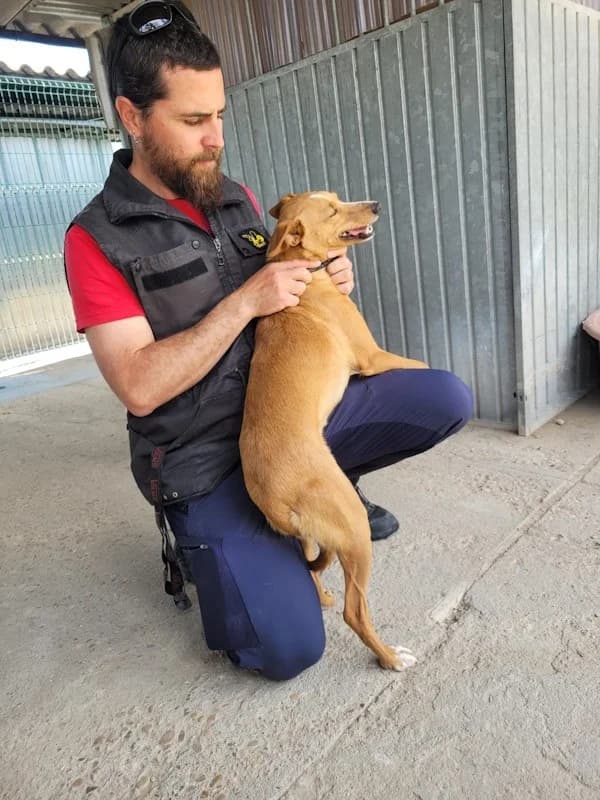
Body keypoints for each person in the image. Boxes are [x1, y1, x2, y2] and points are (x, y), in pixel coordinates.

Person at [65, 0, 473, 681]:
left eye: (220, 115)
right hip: (203, 462)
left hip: (286, 423)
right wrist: (245, 302)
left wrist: (324, 273)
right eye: (193, 120)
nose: (215, 138)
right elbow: (138, 385)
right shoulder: (96, 240)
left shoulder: (235, 198)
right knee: (288, 651)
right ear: (132, 117)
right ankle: (225, 546)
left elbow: (290, 288)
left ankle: (326, 491)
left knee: (442, 397)